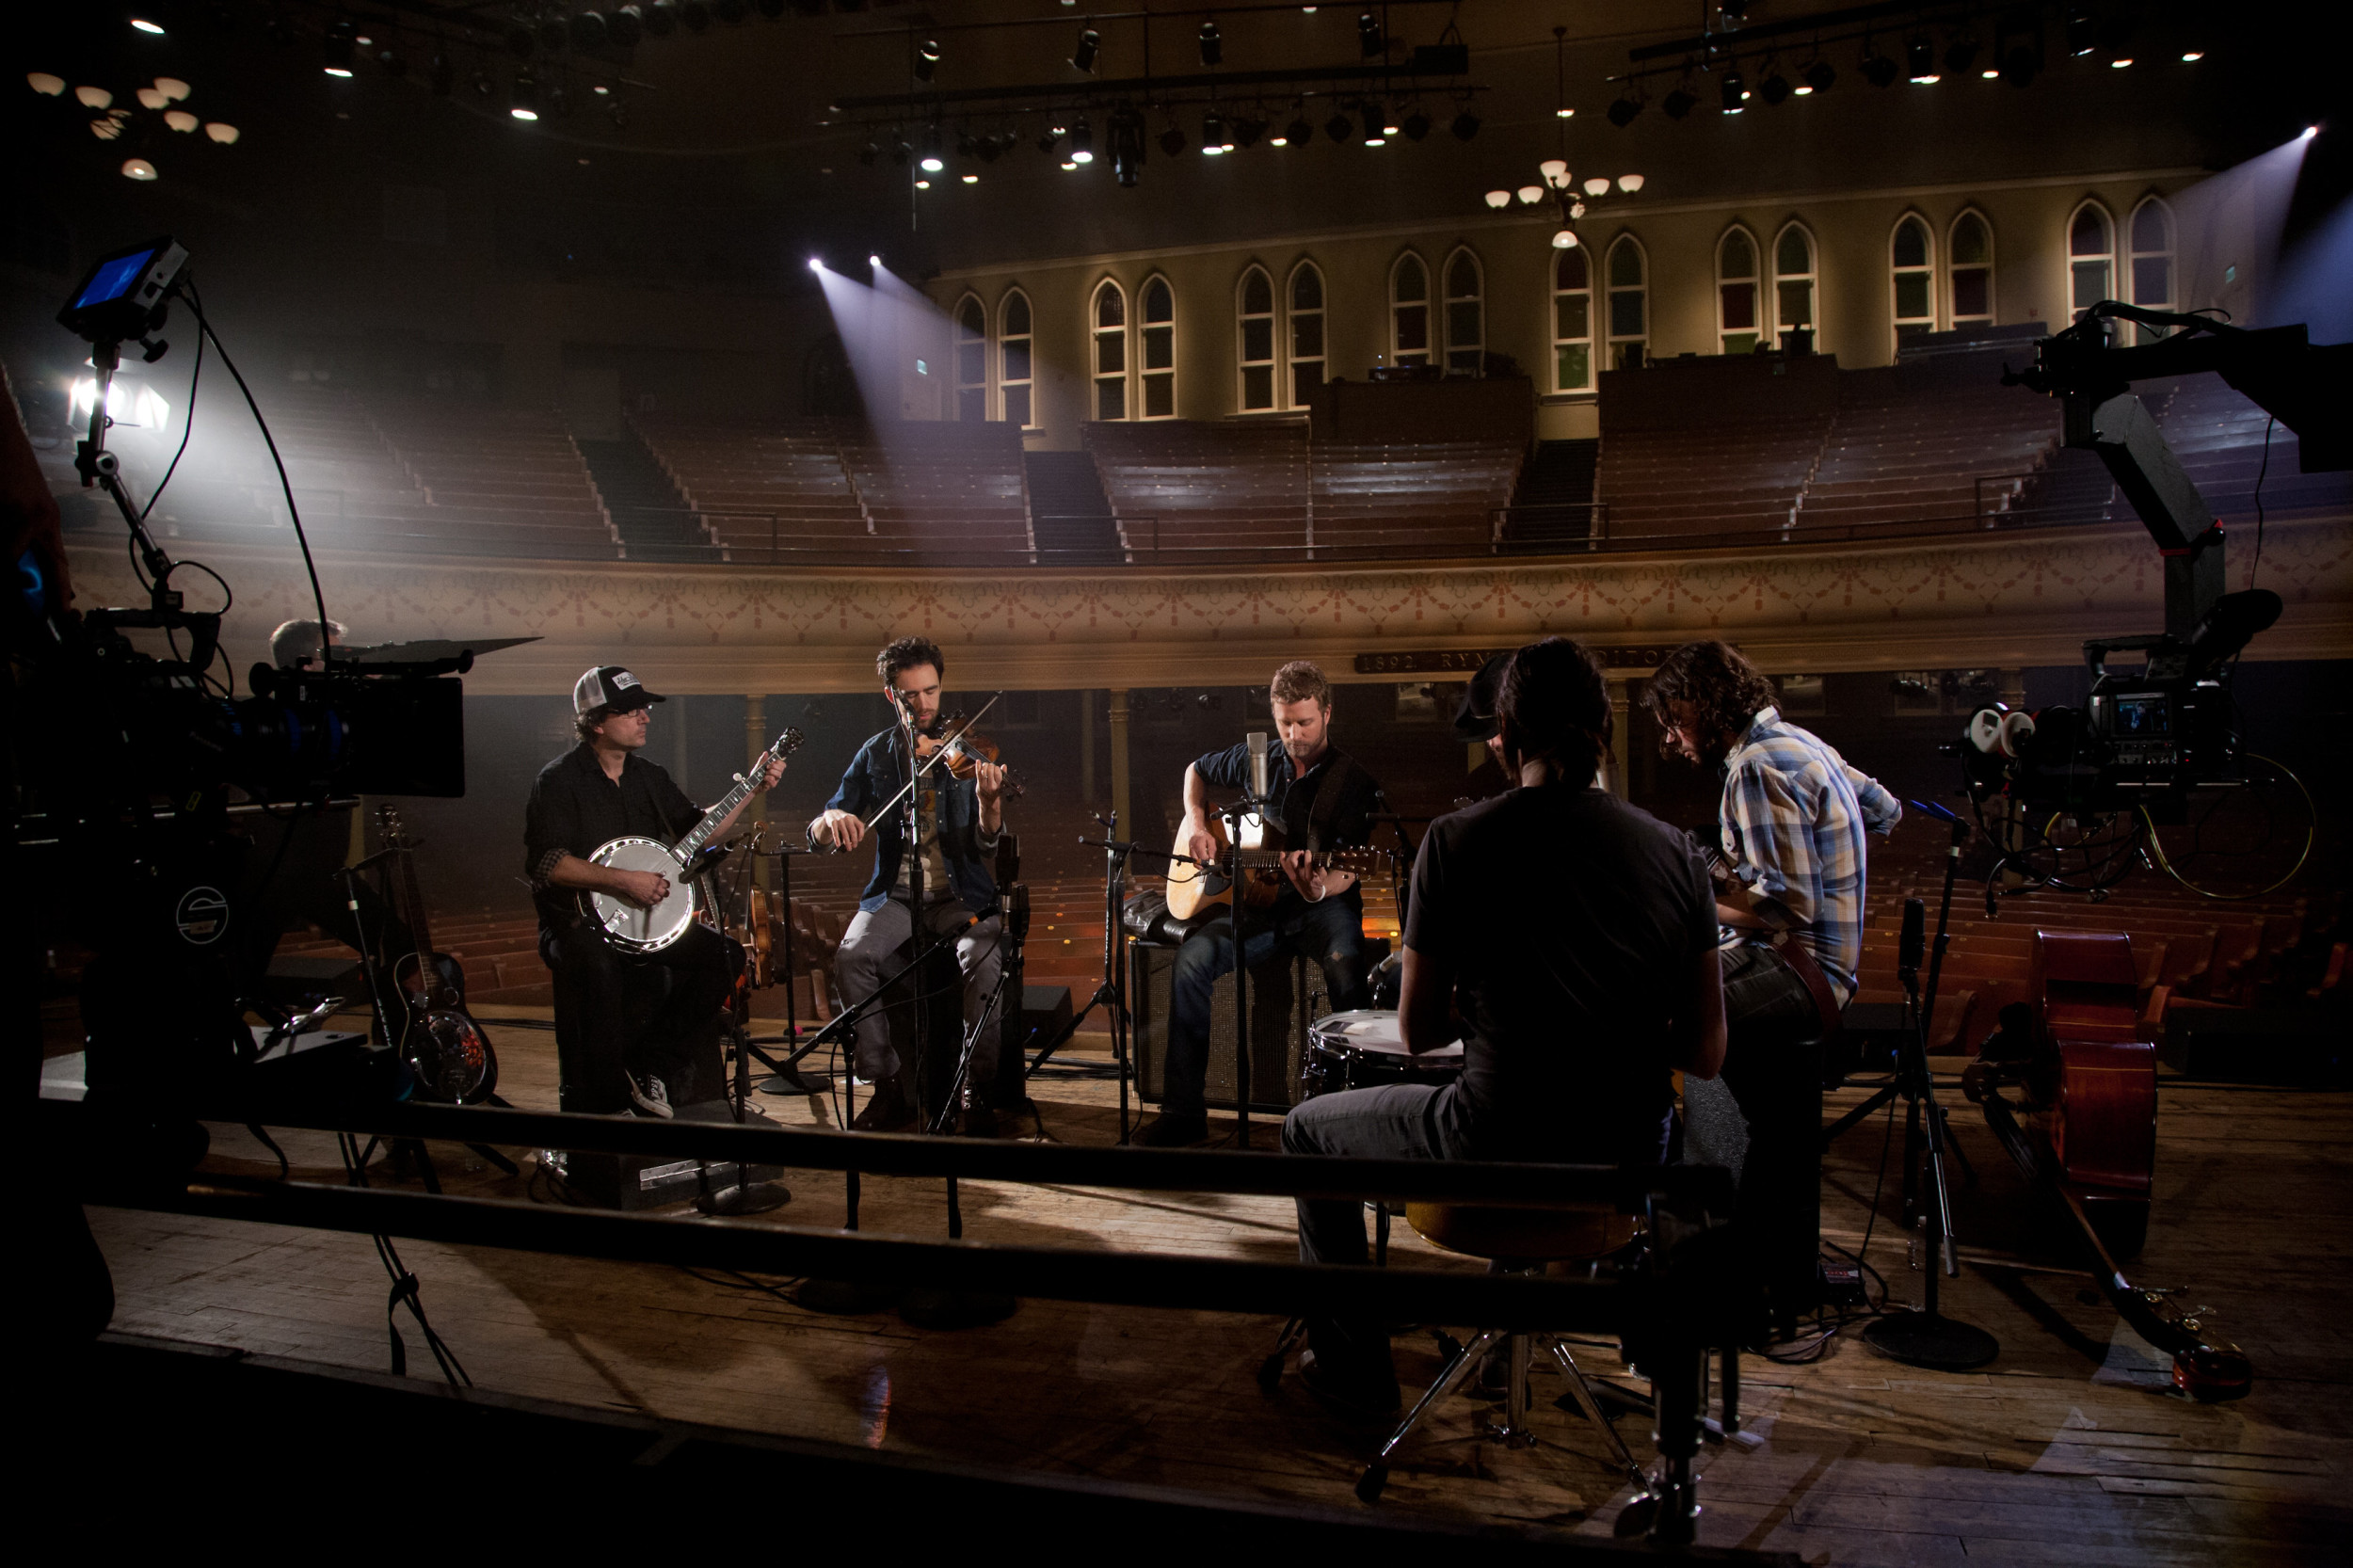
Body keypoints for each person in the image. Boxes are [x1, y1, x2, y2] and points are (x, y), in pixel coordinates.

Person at [1281, 636, 1726, 1414]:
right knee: (1574, 1128)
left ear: (1507, 734)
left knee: (1306, 1133)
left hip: (1491, 1147)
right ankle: (1507, 1347)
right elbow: (1706, 1051)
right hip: (1626, 1160)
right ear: (1605, 730)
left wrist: (1492, 1006)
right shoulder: (1679, 857)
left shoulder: (1457, 842)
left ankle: (1354, 1372)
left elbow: (1418, 1033)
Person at [1644, 639, 1901, 1335]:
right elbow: (1887, 810)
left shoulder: (1755, 765)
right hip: (1823, 964)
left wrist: (1695, 894)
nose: (1672, 739)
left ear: (1704, 704)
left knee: (1646, 1024)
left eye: (1675, 721)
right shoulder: (1804, 743)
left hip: (1800, 968)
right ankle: (1754, 1262)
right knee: (1771, 1125)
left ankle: (1668, 1232)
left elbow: (1785, 908)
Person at [1135, 660, 1385, 1148]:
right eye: (1284, 723)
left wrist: (1317, 889)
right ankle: (1183, 1113)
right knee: (1191, 961)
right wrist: (1198, 825)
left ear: (1327, 713)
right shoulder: (1260, 758)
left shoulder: (1353, 782)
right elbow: (1195, 771)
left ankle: (1355, 1115)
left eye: (1304, 723)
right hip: (1257, 906)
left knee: (1347, 969)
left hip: (1322, 905)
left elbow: (1349, 869)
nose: (1293, 735)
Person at [524, 664, 785, 1116]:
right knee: (600, 966)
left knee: (726, 957)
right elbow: (550, 864)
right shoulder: (559, 780)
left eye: (644, 708)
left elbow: (697, 830)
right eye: (631, 710)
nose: (645, 716)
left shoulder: (648, 776)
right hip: (576, 925)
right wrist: (625, 880)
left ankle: (652, 1065)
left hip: (643, 925)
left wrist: (751, 788)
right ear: (597, 721)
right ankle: (609, 1103)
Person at [808, 636, 1015, 1135]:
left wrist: (989, 804)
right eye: (911, 695)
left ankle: (976, 1085)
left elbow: (988, 846)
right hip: (894, 896)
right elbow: (821, 827)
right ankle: (886, 1082)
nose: (925, 705)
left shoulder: (965, 752)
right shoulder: (876, 754)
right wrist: (831, 819)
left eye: (932, 691)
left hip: (960, 896)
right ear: (891, 695)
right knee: (851, 958)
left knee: (985, 957)